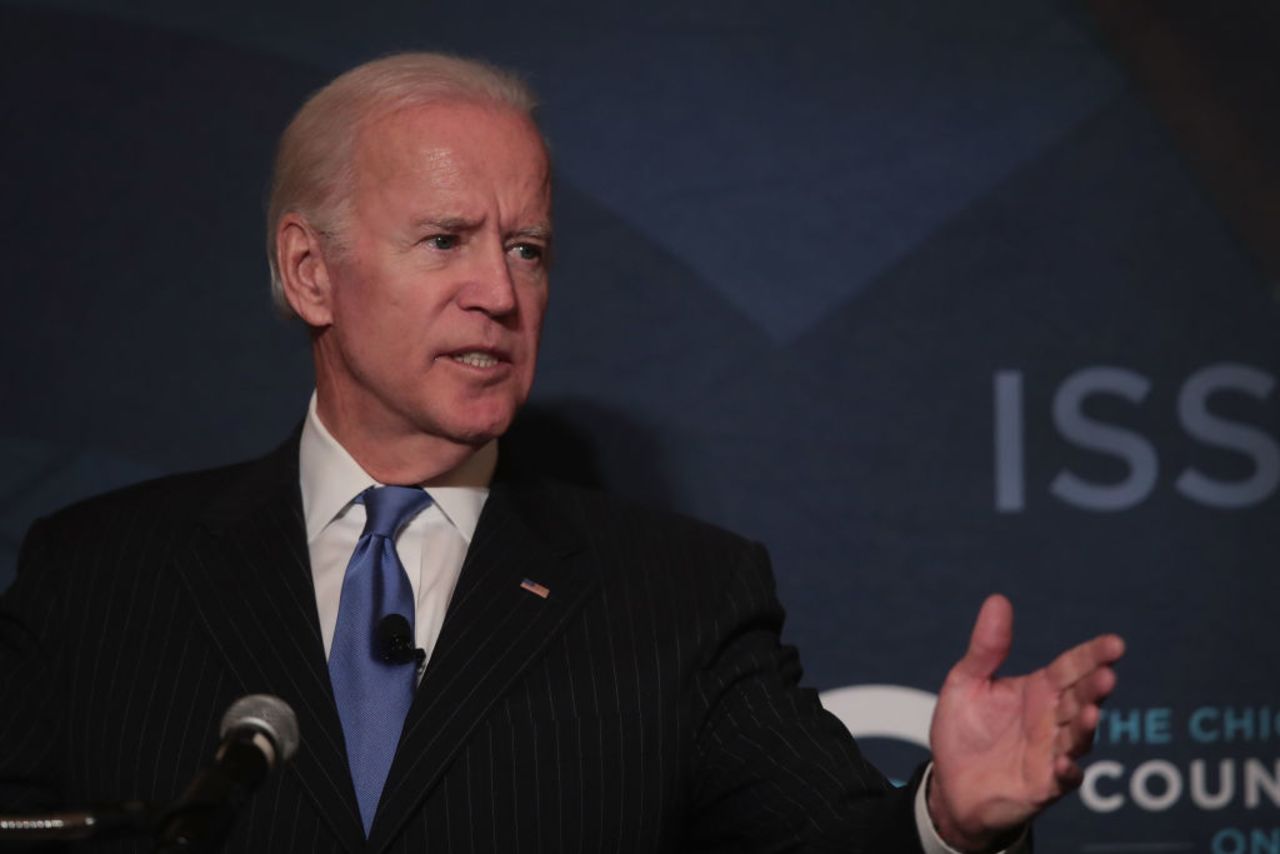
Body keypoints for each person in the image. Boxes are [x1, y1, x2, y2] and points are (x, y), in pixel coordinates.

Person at [0, 53, 1122, 853]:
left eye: (526, 248)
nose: (498, 291)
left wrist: (945, 818)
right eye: (445, 241)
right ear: (309, 272)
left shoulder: (676, 594)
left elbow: (825, 836)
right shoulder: (96, 575)